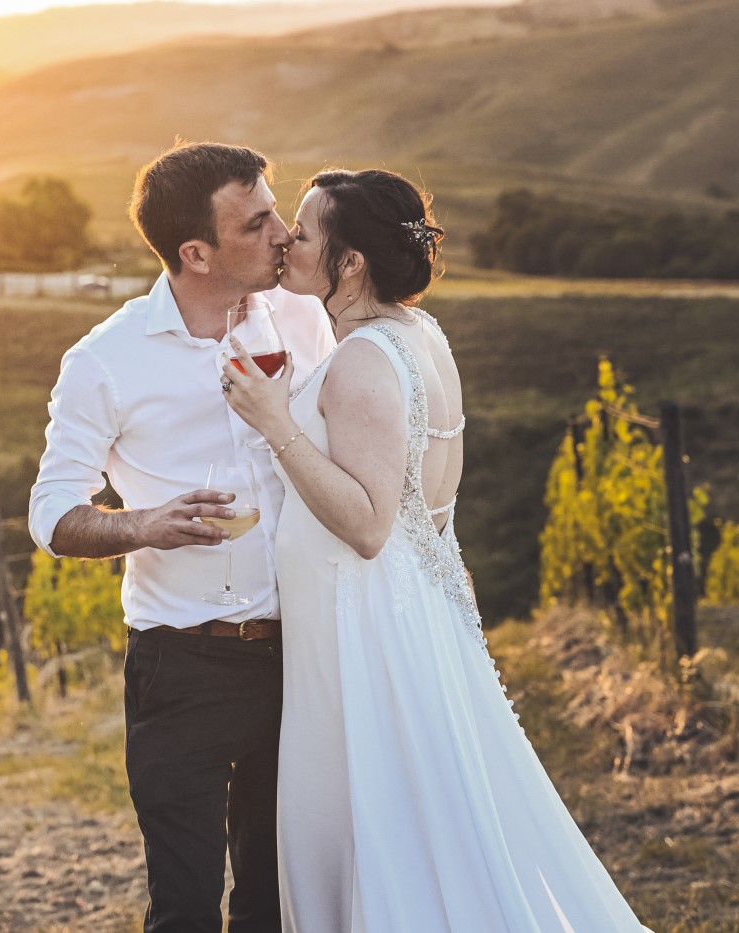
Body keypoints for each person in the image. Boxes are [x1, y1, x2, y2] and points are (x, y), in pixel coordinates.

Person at [220, 168, 650, 931]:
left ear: (351, 264)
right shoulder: (419, 333)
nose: (288, 239)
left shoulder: (362, 360)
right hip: (402, 612)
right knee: (422, 822)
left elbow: (369, 522)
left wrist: (271, 419)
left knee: (375, 826)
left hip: (366, 634)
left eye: (307, 232)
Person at [28, 142, 335, 932]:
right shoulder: (105, 359)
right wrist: (146, 524)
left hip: (299, 654)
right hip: (180, 663)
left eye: (276, 211)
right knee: (186, 906)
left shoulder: (303, 319)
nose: (283, 234)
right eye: (258, 220)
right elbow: (53, 513)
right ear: (195, 252)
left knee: (276, 899)